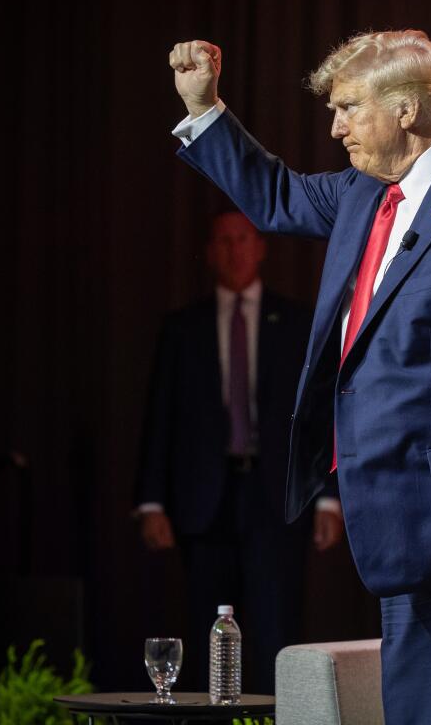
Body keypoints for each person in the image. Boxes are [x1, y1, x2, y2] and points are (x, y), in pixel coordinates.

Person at [167, 31, 431, 725]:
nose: (335, 126)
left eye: (350, 108)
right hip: (395, 508)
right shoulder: (365, 192)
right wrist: (205, 109)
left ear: (407, 110)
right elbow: (274, 195)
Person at [134, 210, 344, 694]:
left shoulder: (296, 323)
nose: (234, 249)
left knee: (274, 628)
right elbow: (159, 416)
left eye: (242, 239)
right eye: (223, 241)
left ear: (260, 247)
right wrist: (151, 502)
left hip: (275, 498)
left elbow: (319, 415)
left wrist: (328, 497)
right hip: (204, 499)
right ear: (209, 253)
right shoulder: (183, 327)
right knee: (207, 626)